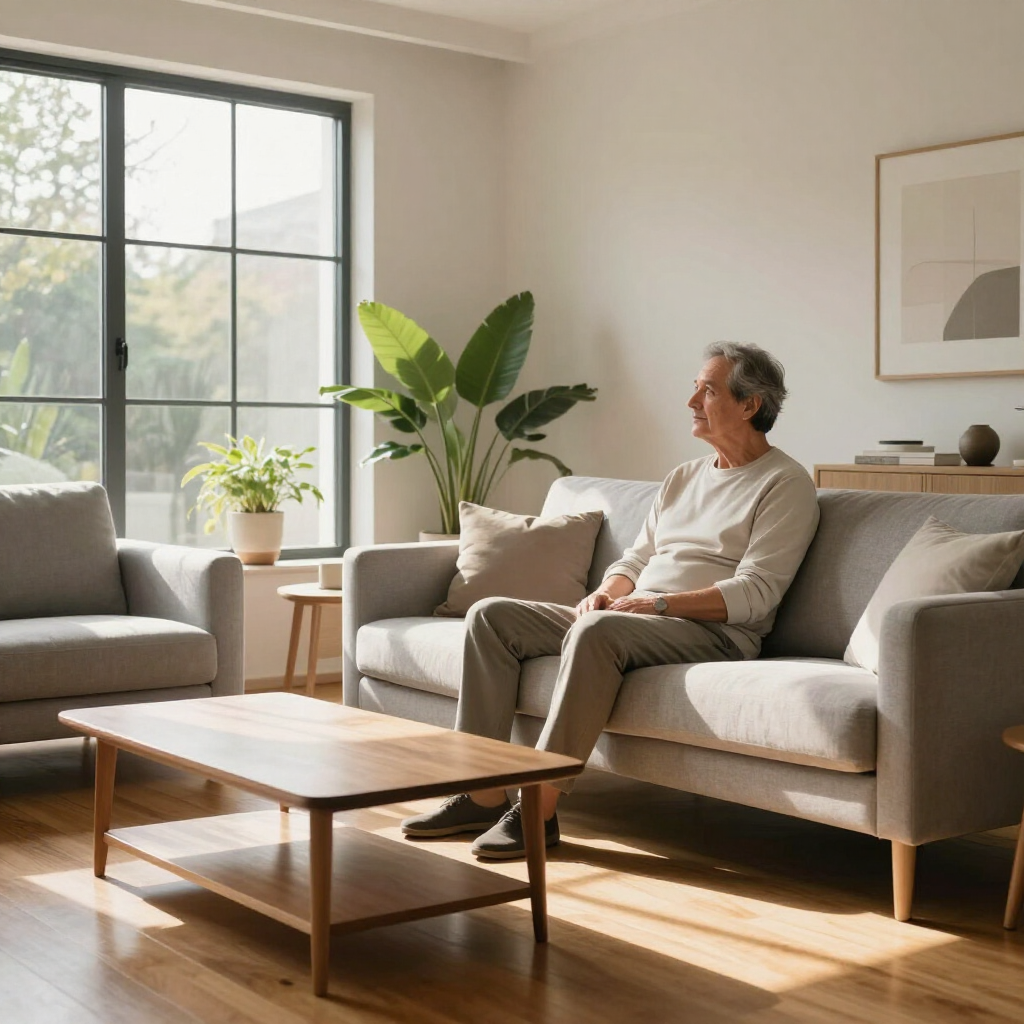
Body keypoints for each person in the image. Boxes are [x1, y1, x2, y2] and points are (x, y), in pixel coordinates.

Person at [401, 341, 820, 859]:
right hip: (637, 615)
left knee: (597, 632)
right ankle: (482, 794)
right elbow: (635, 560)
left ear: (750, 404)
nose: (691, 401)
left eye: (707, 390)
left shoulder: (784, 484)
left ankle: (539, 810)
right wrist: (605, 592)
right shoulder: (684, 477)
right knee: (492, 617)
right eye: (695, 388)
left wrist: (660, 606)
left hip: (714, 631)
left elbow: (757, 593)